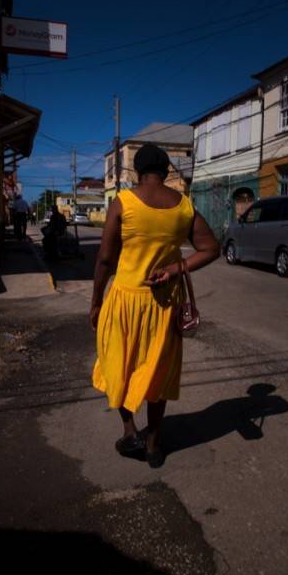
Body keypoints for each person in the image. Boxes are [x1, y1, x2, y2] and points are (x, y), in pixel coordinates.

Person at [90, 143, 220, 468]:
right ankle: (153, 443)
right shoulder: (184, 206)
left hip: (125, 300)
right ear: (165, 171)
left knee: (120, 363)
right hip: (165, 305)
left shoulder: (124, 202)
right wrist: (176, 268)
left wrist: (95, 302)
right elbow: (210, 248)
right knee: (157, 373)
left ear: (137, 171)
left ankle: (130, 429)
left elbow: (105, 258)